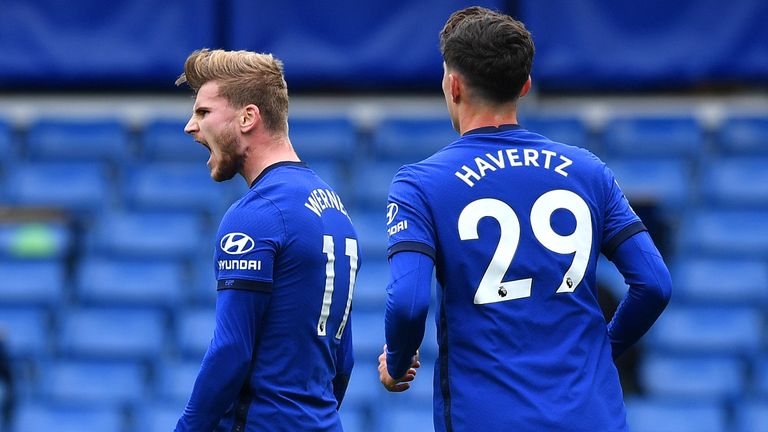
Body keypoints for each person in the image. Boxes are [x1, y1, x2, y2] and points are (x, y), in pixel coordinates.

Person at [378, 7, 672, 431]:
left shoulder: (420, 184)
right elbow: (655, 284)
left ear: (453, 84)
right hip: (591, 416)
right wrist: (605, 348)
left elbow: (407, 304)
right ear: (525, 85)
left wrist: (398, 363)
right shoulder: (586, 170)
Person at [174, 49, 359, 431]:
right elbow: (343, 360)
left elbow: (231, 350)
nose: (190, 126)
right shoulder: (336, 211)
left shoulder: (255, 215)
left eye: (204, 112)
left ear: (247, 118)